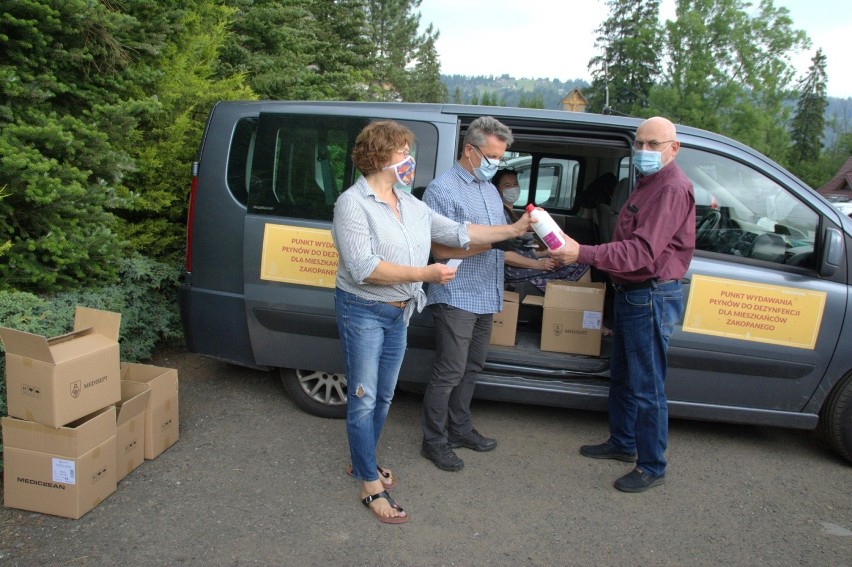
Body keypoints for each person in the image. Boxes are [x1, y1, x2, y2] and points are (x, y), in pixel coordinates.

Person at [332, 120, 531, 523]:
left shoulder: (408, 202)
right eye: (403, 152)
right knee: (364, 397)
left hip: (399, 310)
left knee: (384, 396)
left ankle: (363, 460)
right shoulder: (352, 203)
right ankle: (370, 486)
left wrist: (513, 229)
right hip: (364, 311)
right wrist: (426, 274)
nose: (410, 160)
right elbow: (363, 268)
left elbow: (459, 231)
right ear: (380, 156)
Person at [551, 116, 695, 492]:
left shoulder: (671, 189)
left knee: (647, 387)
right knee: (624, 378)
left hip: (650, 296)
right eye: (639, 144)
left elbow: (642, 252)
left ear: (673, 149)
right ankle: (622, 443)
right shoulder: (647, 183)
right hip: (632, 295)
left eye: (653, 145)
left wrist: (580, 251)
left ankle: (652, 466)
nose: (643, 151)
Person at [419, 116, 526, 472]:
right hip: (456, 295)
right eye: (492, 156)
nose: (497, 163)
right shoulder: (442, 190)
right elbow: (440, 251)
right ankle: (433, 441)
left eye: (501, 157)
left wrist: (535, 262)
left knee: (472, 367)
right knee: (449, 370)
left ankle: (460, 429)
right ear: (469, 149)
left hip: (485, 293)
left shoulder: (489, 189)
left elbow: (496, 245)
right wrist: (508, 231)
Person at [492, 168, 590, 294]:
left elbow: (518, 250)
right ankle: (586, 308)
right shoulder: (499, 214)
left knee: (577, 262)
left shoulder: (509, 213)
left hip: (524, 264)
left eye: (515, 184)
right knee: (581, 266)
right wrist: (539, 264)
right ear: (497, 190)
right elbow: (504, 255)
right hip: (515, 271)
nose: (513, 188)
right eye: (507, 185)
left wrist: (542, 254)